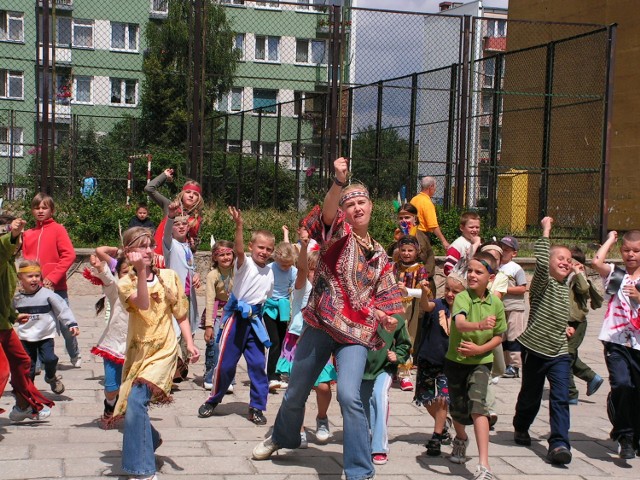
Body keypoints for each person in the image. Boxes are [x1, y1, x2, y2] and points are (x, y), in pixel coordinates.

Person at [252, 157, 404, 480]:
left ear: (372, 207)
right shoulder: (339, 235)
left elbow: (384, 301)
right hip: (321, 323)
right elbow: (328, 213)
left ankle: (360, 470)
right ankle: (283, 436)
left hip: (356, 334)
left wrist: (386, 318)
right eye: (351, 204)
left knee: (349, 396)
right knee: (296, 389)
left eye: (362, 202)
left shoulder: (380, 257)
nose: (357, 208)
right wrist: (338, 182)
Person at [114, 227, 200, 480]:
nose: (149, 250)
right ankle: (150, 438)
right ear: (129, 252)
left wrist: (190, 343)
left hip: (164, 349)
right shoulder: (124, 282)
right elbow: (143, 303)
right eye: (142, 246)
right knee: (131, 405)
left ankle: (142, 469)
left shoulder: (170, 277)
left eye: (150, 245)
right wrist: (141, 273)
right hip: (138, 351)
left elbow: (180, 312)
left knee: (137, 401)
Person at [197, 207, 274, 425]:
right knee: (226, 364)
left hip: (255, 322)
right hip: (237, 321)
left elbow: (265, 297)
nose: (264, 252)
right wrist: (239, 226)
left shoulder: (270, 272)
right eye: (260, 247)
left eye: (269, 249)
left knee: (259, 364)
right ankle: (214, 399)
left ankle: (257, 406)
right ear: (252, 247)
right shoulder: (244, 264)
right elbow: (238, 250)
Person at [512, 217, 574, 465]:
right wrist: (546, 231)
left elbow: (558, 312)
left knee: (560, 397)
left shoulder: (564, 286)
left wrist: (566, 327)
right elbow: (540, 258)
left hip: (559, 351)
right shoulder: (542, 283)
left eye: (569, 261)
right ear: (548, 262)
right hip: (535, 349)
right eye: (560, 259)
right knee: (531, 394)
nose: (565, 263)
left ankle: (559, 443)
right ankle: (521, 424)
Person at [444, 251, 506, 480]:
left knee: (479, 406)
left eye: (478, 271)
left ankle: (483, 465)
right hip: (456, 362)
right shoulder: (462, 298)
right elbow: (459, 324)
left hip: (481, 362)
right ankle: (461, 438)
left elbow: (500, 336)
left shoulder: (496, 303)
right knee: (459, 409)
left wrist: (480, 350)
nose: (471, 275)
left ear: (490, 277)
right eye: (469, 270)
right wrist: (479, 325)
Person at [275, 239, 335, 447]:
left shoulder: (330, 292)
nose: (315, 274)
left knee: (324, 387)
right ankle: (298, 429)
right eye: (312, 270)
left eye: (319, 270)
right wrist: (303, 244)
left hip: (321, 341)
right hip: (297, 342)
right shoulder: (303, 287)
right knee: (298, 390)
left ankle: (322, 418)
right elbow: (300, 268)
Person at [591, 230, 640, 459]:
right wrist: (610, 239)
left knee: (636, 391)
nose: (631, 255)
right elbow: (596, 262)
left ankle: (634, 435)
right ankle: (625, 436)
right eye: (626, 250)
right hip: (616, 341)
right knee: (622, 384)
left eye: (636, 251)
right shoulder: (616, 274)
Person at [0, 215, 54, 422]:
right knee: (2, 371)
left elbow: (3, 298)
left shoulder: (7, 263)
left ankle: (23, 406)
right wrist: (12, 234)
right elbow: (3, 247)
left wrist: (13, 315)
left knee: (22, 362)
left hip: (4, 324)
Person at [21, 192, 80, 367]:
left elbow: (69, 255)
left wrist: (53, 277)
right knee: (36, 325)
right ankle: (37, 363)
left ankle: (74, 354)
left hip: (57, 287)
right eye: (37, 207)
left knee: (65, 324)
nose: (40, 211)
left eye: (44, 208)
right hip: (34, 289)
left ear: (51, 210)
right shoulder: (28, 234)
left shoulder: (58, 229)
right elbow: (25, 259)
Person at [415, 274, 466, 457]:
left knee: (443, 400)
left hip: (449, 363)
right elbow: (425, 305)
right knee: (426, 399)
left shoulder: (465, 311)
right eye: (448, 290)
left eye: (456, 291)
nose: (450, 294)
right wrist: (423, 292)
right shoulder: (438, 304)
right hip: (428, 359)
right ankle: (443, 425)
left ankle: (436, 438)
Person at [13, 259, 80, 395]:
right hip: (26, 337)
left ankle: (51, 377)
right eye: (30, 276)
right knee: (29, 367)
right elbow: (8, 313)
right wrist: (14, 317)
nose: (34, 279)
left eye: (37, 276)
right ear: (20, 277)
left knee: (50, 359)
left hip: (45, 335)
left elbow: (62, 309)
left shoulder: (47, 295)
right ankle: (29, 392)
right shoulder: (17, 299)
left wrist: (71, 323)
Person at [361, 313, 411, 465]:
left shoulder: (396, 319)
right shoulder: (361, 312)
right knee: (364, 405)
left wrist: (398, 356)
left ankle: (379, 447)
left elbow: (405, 344)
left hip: (385, 369)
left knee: (379, 396)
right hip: (361, 369)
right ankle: (367, 436)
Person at [88, 252, 130, 424]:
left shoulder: (146, 292)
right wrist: (101, 268)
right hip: (113, 344)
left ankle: (129, 410)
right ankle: (110, 403)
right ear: (118, 274)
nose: (130, 276)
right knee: (111, 387)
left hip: (135, 348)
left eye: (134, 272)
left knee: (133, 387)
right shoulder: (115, 291)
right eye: (125, 272)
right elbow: (109, 282)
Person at [163, 201, 201, 380]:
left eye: (184, 224)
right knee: (174, 332)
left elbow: (189, 267)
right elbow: (166, 233)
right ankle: (172, 370)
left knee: (189, 328)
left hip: (188, 296)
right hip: (174, 296)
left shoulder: (187, 247)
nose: (180, 227)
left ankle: (181, 365)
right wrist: (170, 217)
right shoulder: (170, 245)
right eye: (176, 224)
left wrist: (195, 275)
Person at [566, 247, 604, 405]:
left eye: (569, 260)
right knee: (567, 355)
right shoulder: (567, 277)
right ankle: (592, 377)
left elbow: (583, 289)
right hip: (566, 322)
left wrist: (578, 273)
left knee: (567, 356)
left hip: (578, 322)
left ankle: (571, 393)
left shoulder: (580, 277)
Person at [392, 234, 429, 391]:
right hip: (394, 307)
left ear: (417, 251)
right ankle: (393, 369)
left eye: (410, 250)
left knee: (407, 337)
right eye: (403, 250)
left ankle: (405, 373)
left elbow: (425, 293)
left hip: (410, 308)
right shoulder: (394, 267)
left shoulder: (420, 269)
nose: (406, 253)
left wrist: (408, 291)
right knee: (392, 337)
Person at [145, 168, 204, 262]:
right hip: (160, 257)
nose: (191, 196)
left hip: (179, 259)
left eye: (195, 194)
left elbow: (193, 244)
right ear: (182, 194)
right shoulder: (171, 206)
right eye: (188, 192)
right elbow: (149, 188)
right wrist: (164, 175)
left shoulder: (197, 218)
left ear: (199, 198)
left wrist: (194, 245)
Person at [264, 241, 297, 391]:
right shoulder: (269, 269)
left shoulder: (293, 271)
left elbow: (296, 288)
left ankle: (279, 372)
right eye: (283, 264)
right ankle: (271, 375)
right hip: (269, 307)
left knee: (284, 341)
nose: (285, 268)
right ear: (276, 258)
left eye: (288, 265)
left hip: (283, 307)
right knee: (275, 341)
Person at [202, 240, 235, 391]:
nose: (226, 257)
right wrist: (209, 325)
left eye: (228, 254)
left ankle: (228, 378)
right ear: (215, 257)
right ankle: (210, 376)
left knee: (230, 345)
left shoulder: (237, 271)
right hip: (216, 313)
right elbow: (209, 301)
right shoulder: (212, 275)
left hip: (233, 312)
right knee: (214, 344)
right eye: (221, 255)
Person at [387, 203, 436, 298]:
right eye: (401, 218)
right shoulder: (400, 234)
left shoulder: (420, 236)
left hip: (420, 283)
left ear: (415, 219)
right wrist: (397, 241)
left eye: (407, 217)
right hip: (402, 282)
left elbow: (420, 258)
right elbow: (390, 253)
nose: (403, 221)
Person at [498, 236, 528, 379]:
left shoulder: (516, 269)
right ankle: (504, 364)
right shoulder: (496, 266)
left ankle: (515, 365)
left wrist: (504, 289)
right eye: (501, 249)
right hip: (500, 307)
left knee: (514, 336)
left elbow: (522, 288)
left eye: (506, 250)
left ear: (514, 253)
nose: (503, 252)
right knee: (502, 336)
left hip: (515, 307)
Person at [410, 176, 450, 250]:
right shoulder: (427, 203)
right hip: (421, 236)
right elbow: (433, 225)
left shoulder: (414, 199)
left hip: (412, 233)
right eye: (435, 187)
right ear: (431, 187)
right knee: (428, 260)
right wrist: (444, 241)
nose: (435, 189)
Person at [444, 211, 481, 276]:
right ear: (462, 228)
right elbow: (448, 269)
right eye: (471, 227)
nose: (475, 230)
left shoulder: (478, 243)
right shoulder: (457, 246)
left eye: (477, 227)